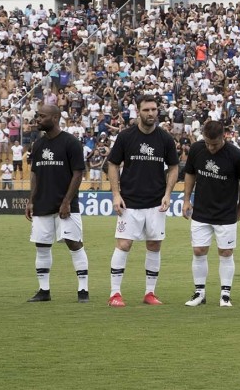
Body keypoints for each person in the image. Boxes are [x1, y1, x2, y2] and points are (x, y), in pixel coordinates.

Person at [106, 95, 179, 307]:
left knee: (154, 245)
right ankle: (115, 293)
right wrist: (116, 194)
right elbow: (113, 164)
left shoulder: (165, 139)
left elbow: (174, 167)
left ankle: (149, 293)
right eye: (146, 110)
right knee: (124, 244)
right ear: (138, 111)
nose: (151, 113)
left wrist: (168, 194)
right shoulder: (126, 137)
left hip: (156, 202)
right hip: (129, 201)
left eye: (154, 109)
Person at [181, 120, 240, 308]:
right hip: (201, 210)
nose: (211, 148)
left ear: (224, 137)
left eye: (215, 144)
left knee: (226, 252)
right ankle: (199, 293)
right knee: (198, 250)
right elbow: (190, 174)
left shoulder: (236, 155)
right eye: (207, 143)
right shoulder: (196, 149)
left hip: (226, 211)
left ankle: (225, 294)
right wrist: (187, 200)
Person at [24, 104, 90, 302]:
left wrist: (67, 201)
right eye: (37, 115)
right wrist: (31, 200)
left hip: (66, 205)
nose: (37, 119)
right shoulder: (38, 144)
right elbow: (35, 173)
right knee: (41, 245)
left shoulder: (71, 143)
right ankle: (44, 290)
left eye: (42, 116)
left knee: (74, 243)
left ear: (55, 118)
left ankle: (83, 291)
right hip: (42, 203)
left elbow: (78, 173)